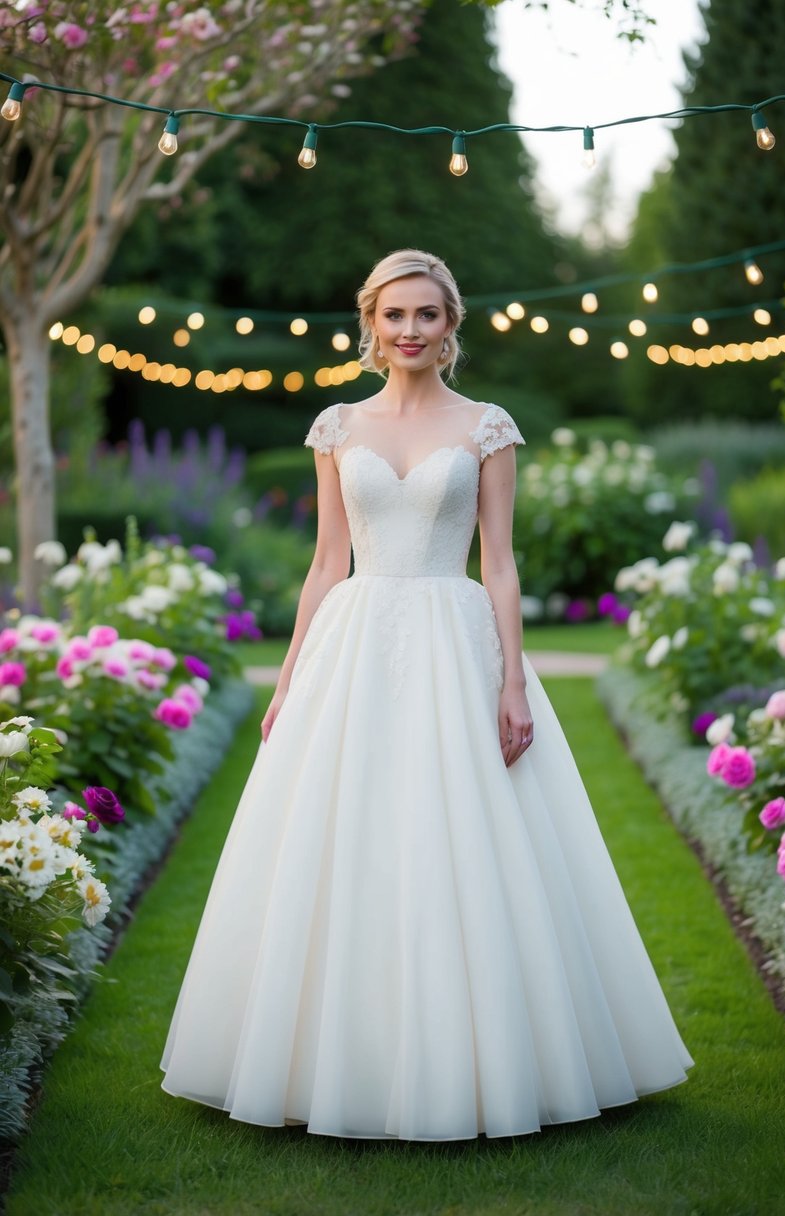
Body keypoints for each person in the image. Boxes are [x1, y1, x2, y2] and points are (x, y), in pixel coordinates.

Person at [160, 249, 693, 1141]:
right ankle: (332, 1061)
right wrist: (290, 675)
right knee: (343, 839)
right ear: (370, 323)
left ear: (452, 326)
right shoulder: (336, 427)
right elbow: (328, 560)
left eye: (427, 315)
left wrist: (512, 681)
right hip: (355, 643)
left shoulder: (487, 426)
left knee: (469, 837)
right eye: (394, 315)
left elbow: (500, 562)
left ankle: (492, 1059)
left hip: (457, 639)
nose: (410, 331)